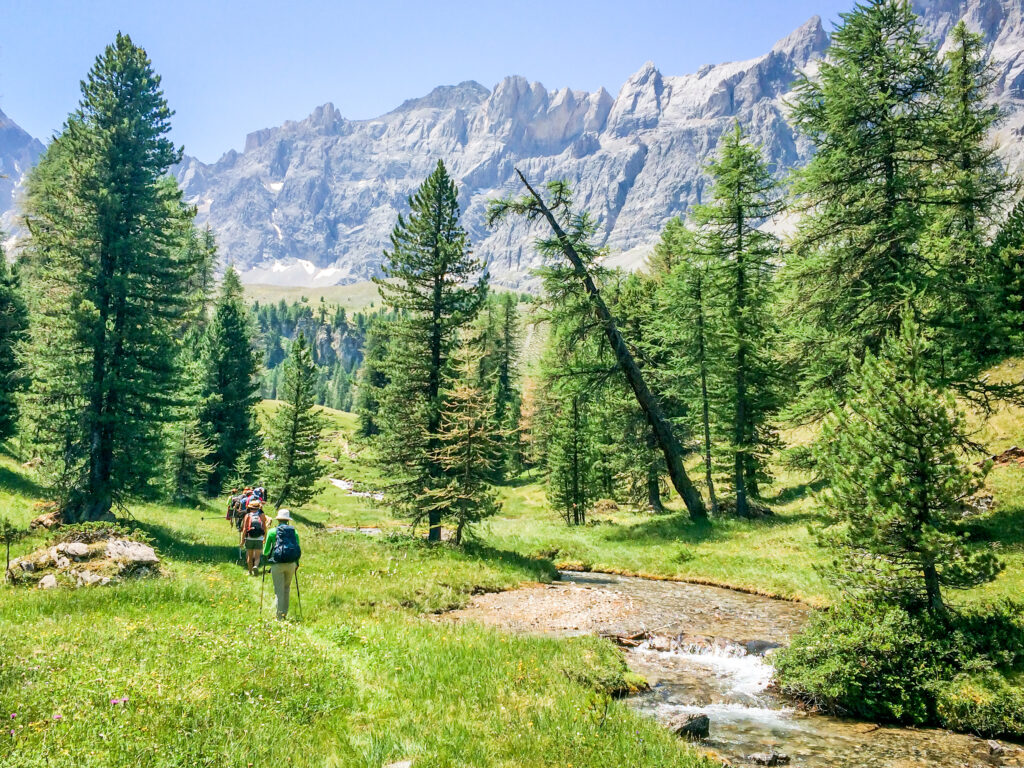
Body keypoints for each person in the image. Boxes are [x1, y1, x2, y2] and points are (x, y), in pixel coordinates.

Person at [263, 509, 301, 619]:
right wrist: (296, 563)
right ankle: (285, 613)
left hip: (277, 564)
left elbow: (265, 552)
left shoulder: (272, 532)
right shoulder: (295, 532)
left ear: (278, 520)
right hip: (291, 564)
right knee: (286, 589)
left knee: (278, 590)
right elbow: (297, 549)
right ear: (288, 521)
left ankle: (279, 616)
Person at [240, 498, 268, 575]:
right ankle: (255, 566)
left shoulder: (247, 515)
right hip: (259, 538)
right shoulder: (262, 515)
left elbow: (245, 529)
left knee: (249, 555)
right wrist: (265, 537)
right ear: (258, 507)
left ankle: (249, 572)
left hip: (249, 538)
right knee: (257, 556)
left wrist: (242, 541)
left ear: (250, 507)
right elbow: (264, 527)